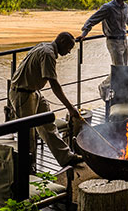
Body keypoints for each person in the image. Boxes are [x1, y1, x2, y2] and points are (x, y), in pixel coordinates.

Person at [9, 32, 85, 166]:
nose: (68, 52)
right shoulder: (48, 54)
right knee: (28, 136)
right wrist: (70, 108)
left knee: (48, 124)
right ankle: (28, 169)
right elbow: (54, 84)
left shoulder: (45, 46)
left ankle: (66, 157)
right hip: (22, 93)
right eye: (69, 48)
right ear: (62, 41)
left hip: (33, 91)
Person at [77, 0, 128, 98]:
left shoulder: (125, 6)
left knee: (123, 68)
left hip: (124, 40)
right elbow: (92, 20)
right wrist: (84, 34)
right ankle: (104, 86)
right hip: (113, 42)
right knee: (119, 70)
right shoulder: (108, 7)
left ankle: (119, 92)